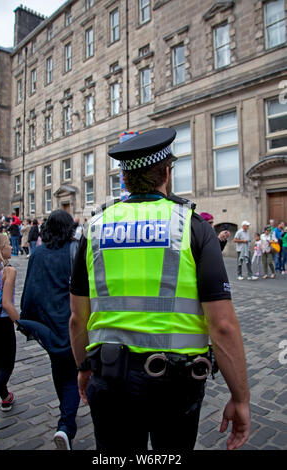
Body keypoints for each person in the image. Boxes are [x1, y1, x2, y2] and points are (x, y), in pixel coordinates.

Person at [69, 128, 250, 452]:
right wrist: (240, 398)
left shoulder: (93, 228)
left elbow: (76, 319)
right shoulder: (193, 227)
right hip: (176, 384)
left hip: (109, 378)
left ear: (124, 178)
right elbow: (221, 325)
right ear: (166, 172)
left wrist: (84, 367)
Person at [17, 210, 80, 450]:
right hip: (71, 321)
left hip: (49, 324)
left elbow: (30, 291)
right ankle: (66, 425)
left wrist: (28, 320)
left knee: (59, 368)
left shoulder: (39, 253)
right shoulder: (75, 250)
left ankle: (66, 411)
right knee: (73, 372)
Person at [0, 234, 20, 440]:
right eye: (8, 245)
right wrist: (22, 323)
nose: (10, 247)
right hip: (2, 323)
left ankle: (5, 397)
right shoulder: (8, 271)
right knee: (6, 365)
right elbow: (7, 304)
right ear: (1, 251)